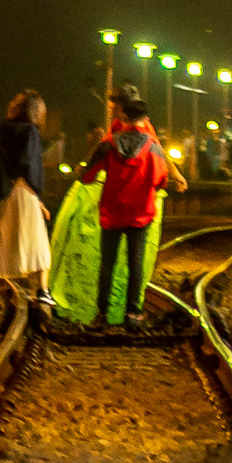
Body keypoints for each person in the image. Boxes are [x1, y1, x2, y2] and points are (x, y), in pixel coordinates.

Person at [84, 88, 181, 332]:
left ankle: (102, 313)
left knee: (108, 263)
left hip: (111, 212)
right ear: (144, 119)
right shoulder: (153, 147)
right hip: (141, 214)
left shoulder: (109, 143)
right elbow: (161, 181)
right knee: (135, 265)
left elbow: (86, 175)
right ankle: (133, 314)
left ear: (123, 117)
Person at [0, 91, 54, 323]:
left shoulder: (1, 130)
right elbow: (29, 164)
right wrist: (37, 195)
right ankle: (42, 290)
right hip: (22, 191)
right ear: (35, 111)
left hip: (0, 192)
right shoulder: (30, 131)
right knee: (39, 242)